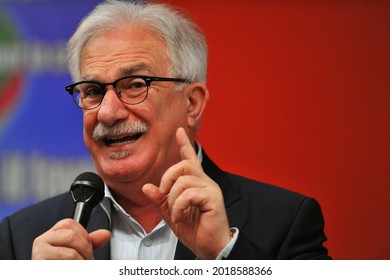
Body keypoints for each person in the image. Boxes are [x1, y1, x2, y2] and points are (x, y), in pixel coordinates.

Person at [0, 0, 331, 260]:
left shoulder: (284, 222)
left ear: (192, 103)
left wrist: (224, 256)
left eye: (135, 85)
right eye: (93, 91)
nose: (109, 112)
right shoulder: (23, 237)